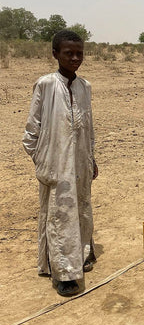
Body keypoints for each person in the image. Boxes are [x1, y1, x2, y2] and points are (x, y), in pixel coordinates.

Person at [23, 29, 97, 297]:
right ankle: (63, 272)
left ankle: (82, 255)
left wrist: (91, 157)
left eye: (79, 53)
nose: (75, 58)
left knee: (82, 209)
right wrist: (43, 160)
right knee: (59, 215)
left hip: (80, 163)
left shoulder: (84, 87)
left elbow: (88, 127)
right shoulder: (45, 84)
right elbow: (32, 130)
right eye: (69, 53)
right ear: (55, 54)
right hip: (55, 165)